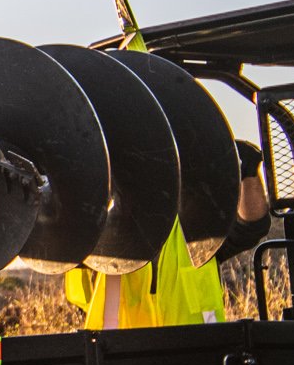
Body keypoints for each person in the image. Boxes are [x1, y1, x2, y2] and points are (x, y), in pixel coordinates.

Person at [63, 139, 272, 328]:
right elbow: (59, 247)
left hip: (195, 358)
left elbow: (251, 226)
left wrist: (248, 174)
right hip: (119, 359)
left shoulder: (197, 230)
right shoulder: (104, 234)